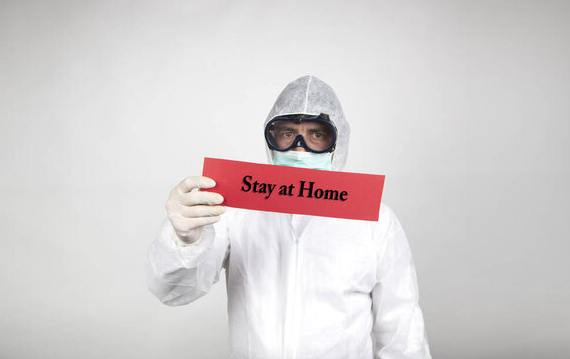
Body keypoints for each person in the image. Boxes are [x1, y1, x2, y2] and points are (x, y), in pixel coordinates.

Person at [146, 75, 432, 358]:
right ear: (271, 140)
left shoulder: (376, 220)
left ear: (338, 143)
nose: (298, 147)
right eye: (286, 133)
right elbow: (174, 292)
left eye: (317, 135)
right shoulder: (235, 211)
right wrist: (185, 239)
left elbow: (401, 329)